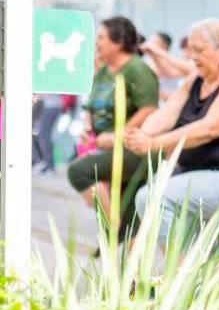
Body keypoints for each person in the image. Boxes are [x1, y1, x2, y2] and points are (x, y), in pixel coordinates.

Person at [127, 18, 219, 248]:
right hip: (194, 175)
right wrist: (137, 134)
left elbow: (209, 128)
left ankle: (180, 270)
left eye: (198, 50)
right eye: (190, 50)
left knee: (152, 197)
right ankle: (202, 264)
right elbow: (165, 115)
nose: (191, 56)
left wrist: (154, 143)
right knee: (200, 246)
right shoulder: (194, 80)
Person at [65, 16, 161, 239]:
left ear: (118, 42)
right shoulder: (104, 71)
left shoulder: (137, 69)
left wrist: (117, 135)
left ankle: (112, 231)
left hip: (133, 149)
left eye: (101, 37)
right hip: (108, 146)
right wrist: (87, 126)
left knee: (79, 171)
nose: (96, 42)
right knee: (130, 218)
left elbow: (149, 108)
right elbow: (90, 105)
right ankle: (124, 255)